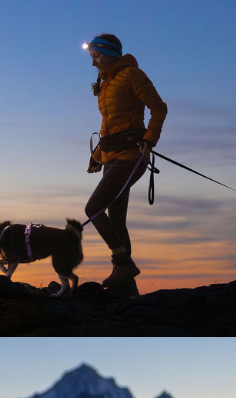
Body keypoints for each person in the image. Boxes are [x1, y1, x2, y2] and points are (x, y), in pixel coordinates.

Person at [83, 33, 167, 289]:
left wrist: (150, 140)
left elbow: (159, 108)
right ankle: (126, 287)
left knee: (93, 209)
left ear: (109, 53)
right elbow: (109, 126)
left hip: (132, 157)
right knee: (116, 219)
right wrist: (97, 155)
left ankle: (123, 262)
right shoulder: (106, 82)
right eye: (92, 57)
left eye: (96, 56)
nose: (93, 62)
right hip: (112, 157)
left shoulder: (132, 75)